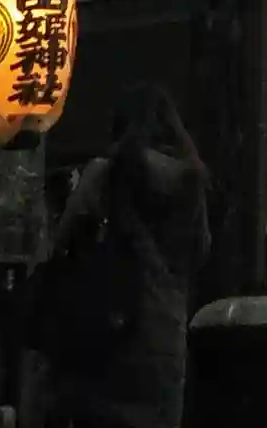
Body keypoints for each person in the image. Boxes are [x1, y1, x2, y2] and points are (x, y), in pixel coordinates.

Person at [42, 84, 209, 428]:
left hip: (108, 332)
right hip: (168, 340)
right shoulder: (191, 183)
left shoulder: (105, 173)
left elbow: (61, 242)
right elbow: (201, 252)